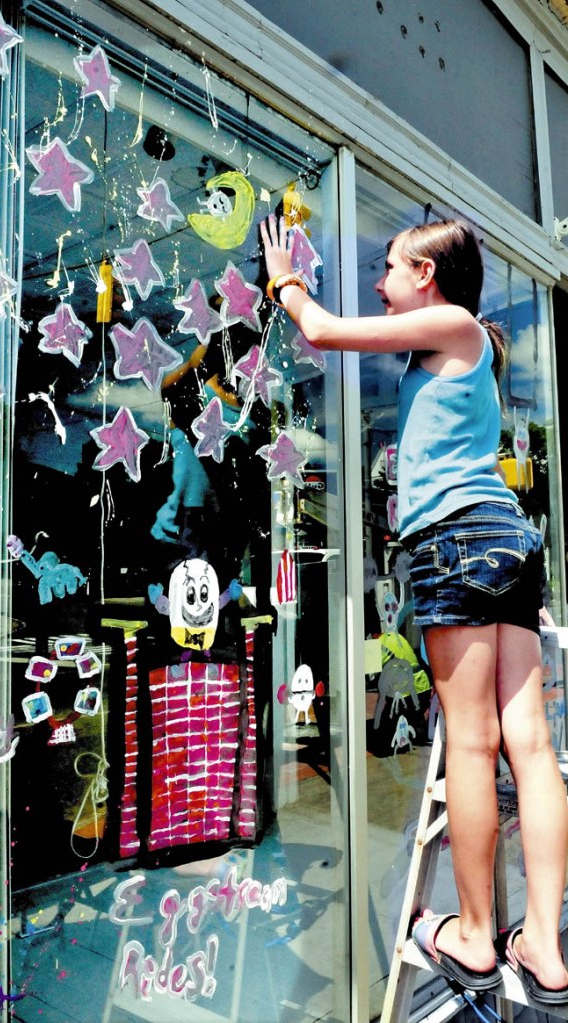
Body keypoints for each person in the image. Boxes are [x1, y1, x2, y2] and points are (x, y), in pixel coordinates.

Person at [260, 213, 568, 1004]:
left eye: (389, 266)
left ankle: (471, 933)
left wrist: (286, 280)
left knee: (470, 744)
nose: (379, 280)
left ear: (426, 276)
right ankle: (541, 940)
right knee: (526, 745)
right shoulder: (459, 346)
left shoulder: (455, 322)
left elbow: (323, 330)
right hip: (504, 538)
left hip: (457, 540)